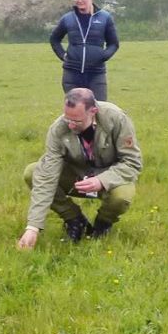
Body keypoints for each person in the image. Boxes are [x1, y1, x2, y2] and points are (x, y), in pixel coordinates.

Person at [16, 88, 142, 250]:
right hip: (77, 175)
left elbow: (132, 162)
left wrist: (102, 181)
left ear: (93, 111)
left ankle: (102, 225)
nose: (71, 125)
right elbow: (47, 175)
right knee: (33, 172)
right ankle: (75, 220)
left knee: (121, 197)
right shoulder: (59, 129)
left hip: (110, 175)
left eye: (77, 121)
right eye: (68, 118)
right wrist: (33, 228)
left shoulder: (116, 119)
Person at [49, 0, 119, 101]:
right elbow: (54, 39)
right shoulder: (68, 18)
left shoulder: (105, 17)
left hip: (96, 73)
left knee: (98, 110)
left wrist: (103, 56)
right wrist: (63, 55)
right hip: (72, 74)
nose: (80, 0)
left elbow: (114, 44)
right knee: (76, 112)